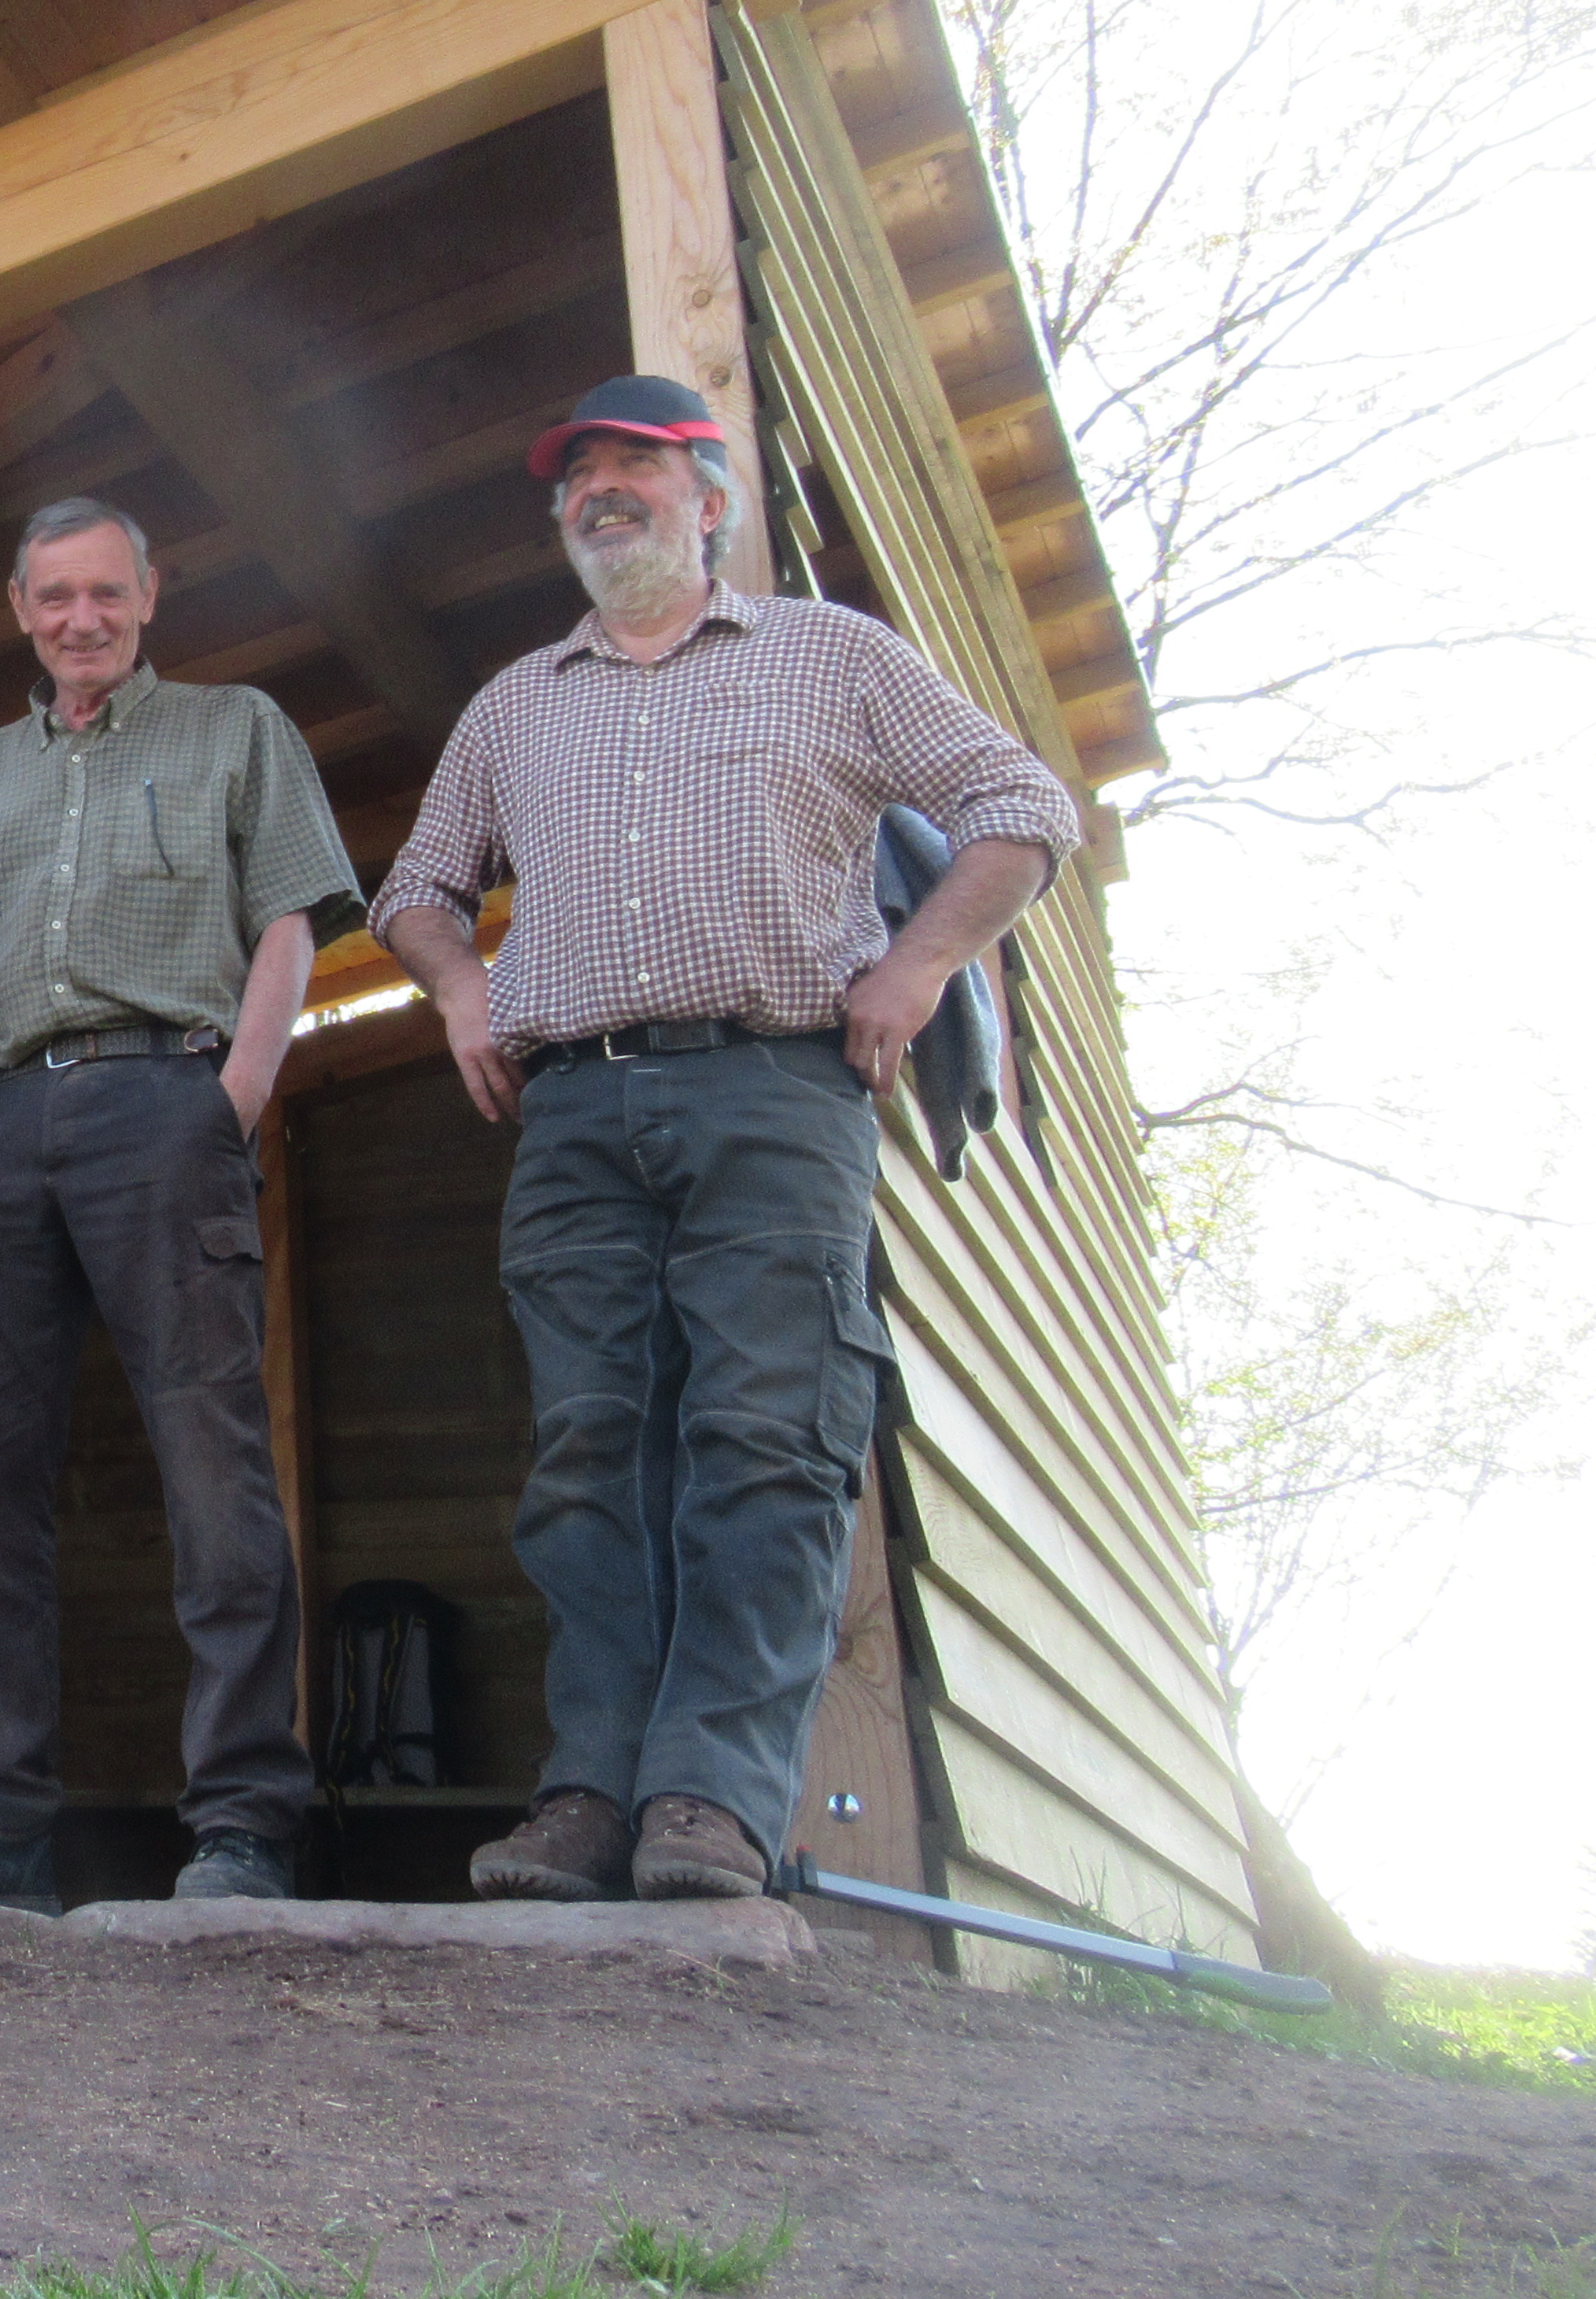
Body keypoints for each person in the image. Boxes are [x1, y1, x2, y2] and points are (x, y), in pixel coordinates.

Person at [373, 375, 1075, 1904]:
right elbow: (417, 888)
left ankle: (710, 1800)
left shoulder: (831, 656)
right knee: (587, 1454)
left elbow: (1021, 805)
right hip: (574, 1111)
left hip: (777, 1092)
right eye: (578, 474)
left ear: (710, 499)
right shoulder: (516, 703)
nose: (599, 489)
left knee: (767, 1439)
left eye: (635, 463)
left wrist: (920, 964)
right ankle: (590, 1791)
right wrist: (465, 988)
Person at [0, 499, 364, 1917]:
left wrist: (232, 1100)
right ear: (20, 608)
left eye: (106, 594)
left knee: (212, 1462)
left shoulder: (236, 727)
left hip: (164, 1095)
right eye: (56, 596)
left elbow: (291, 921)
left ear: (150, 596)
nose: (83, 619)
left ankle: (243, 1826)